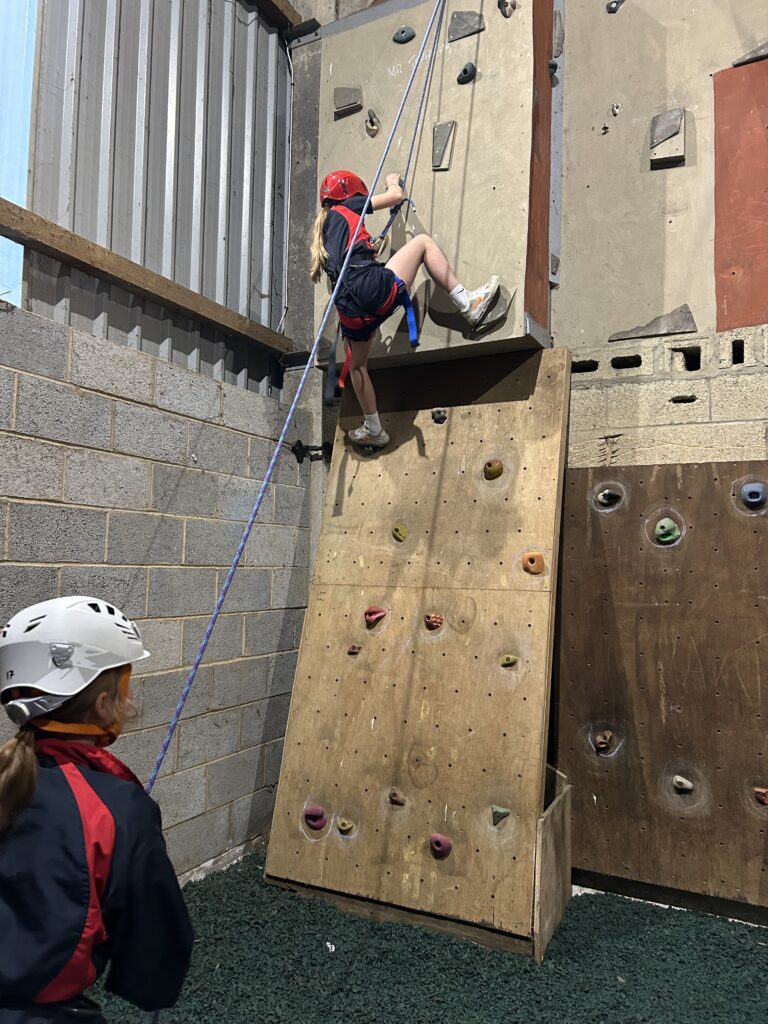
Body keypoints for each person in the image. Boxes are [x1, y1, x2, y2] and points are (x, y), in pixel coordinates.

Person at [0, 595, 193, 1023]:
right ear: (104, 706)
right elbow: (155, 943)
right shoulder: (117, 809)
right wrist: (152, 984)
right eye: (124, 686)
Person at [310, 169, 500, 448]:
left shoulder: (325, 230)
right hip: (370, 289)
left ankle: (375, 429)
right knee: (423, 243)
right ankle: (468, 304)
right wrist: (391, 183)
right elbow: (395, 196)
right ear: (351, 194)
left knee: (358, 368)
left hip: (351, 313)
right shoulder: (346, 207)